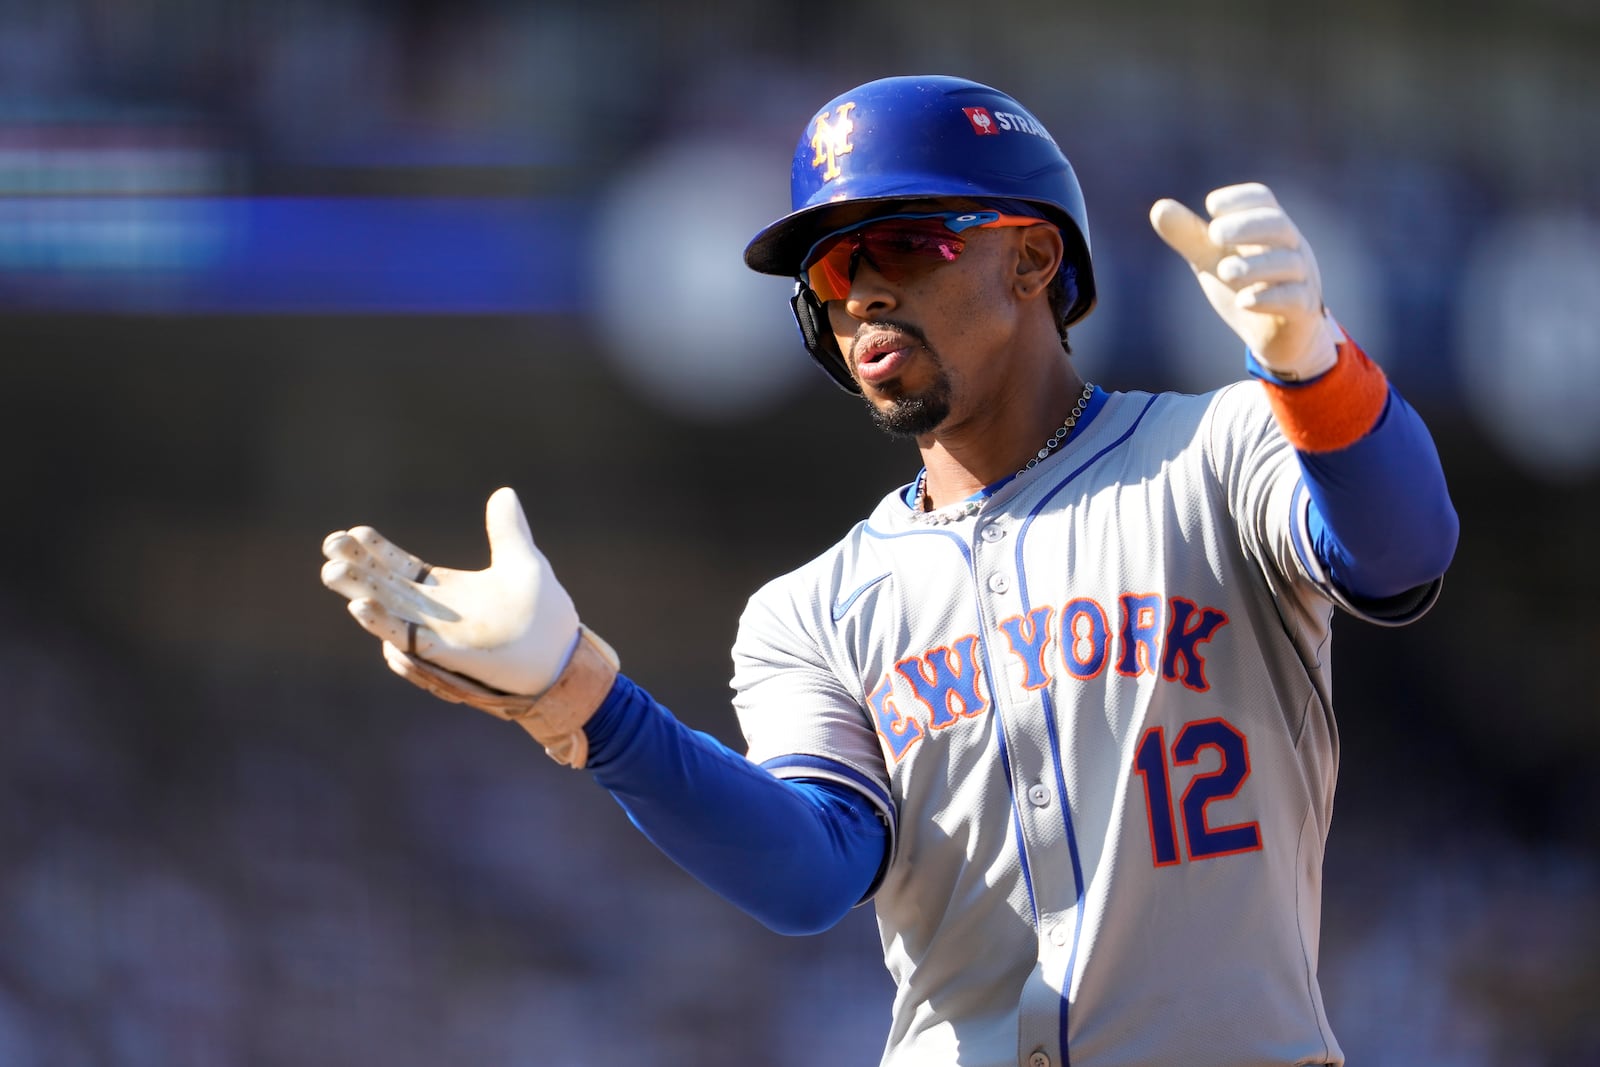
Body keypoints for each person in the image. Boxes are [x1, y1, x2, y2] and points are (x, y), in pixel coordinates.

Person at [321, 75, 1457, 1067]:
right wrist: (579, 699)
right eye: (826, 265)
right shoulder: (808, 609)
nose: (857, 287)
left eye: (900, 243)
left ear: (1031, 256)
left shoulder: (1222, 449)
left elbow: (1402, 551)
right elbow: (810, 870)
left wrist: (1316, 371)